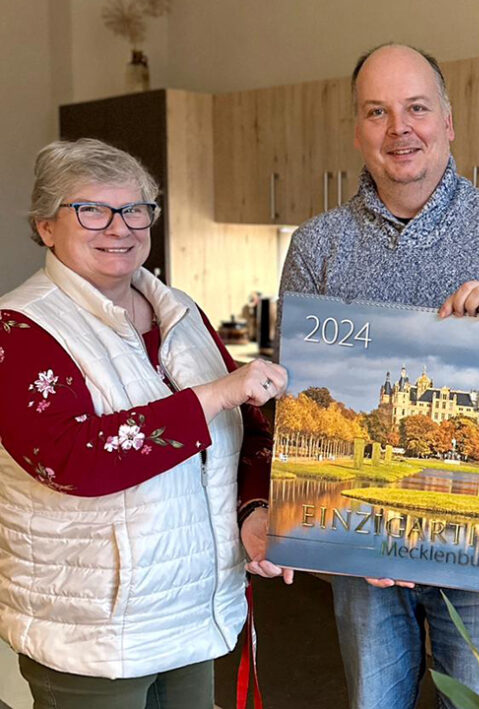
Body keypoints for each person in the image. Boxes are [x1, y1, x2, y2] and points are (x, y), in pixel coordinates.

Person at [279, 43, 479, 709]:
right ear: (357, 130)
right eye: (377, 112)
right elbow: (292, 400)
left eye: (416, 108)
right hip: (366, 543)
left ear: (448, 121)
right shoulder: (316, 244)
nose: (398, 129)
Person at [0, 137, 291, 709]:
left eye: (136, 209)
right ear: (45, 227)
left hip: (192, 613)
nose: (120, 227)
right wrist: (211, 396)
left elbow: (249, 429)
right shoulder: (20, 330)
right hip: (95, 633)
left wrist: (253, 511)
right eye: (91, 209)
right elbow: (73, 459)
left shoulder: (179, 311)